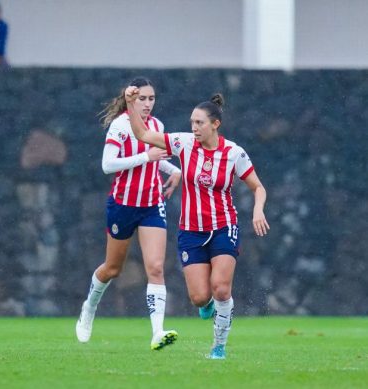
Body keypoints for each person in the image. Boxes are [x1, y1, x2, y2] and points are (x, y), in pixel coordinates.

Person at [125, 89, 269, 359]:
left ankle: (218, 347)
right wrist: (131, 103)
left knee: (221, 288)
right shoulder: (183, 143)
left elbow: (258, 187)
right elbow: (143, 135)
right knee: (200, 297)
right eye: (192, 122)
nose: (194, 128)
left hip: (224, 226)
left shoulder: (234, 153)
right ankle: (208, 305)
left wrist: (258, 211)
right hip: (191, 231)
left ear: (216, 124)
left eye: (199, 122)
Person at [75, 77, 182, 350]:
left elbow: (158, 160)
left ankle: (157, 332)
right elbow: (107, 165)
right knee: (112, 269)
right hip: (123, 205)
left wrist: (175, 170)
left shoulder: (157, 126)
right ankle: (89, 308)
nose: (148, 104)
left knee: (156, 268)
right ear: (131, 99)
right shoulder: (120, 126)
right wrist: (146, 158)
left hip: (151, 205)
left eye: (151, 99)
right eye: (142, 99)